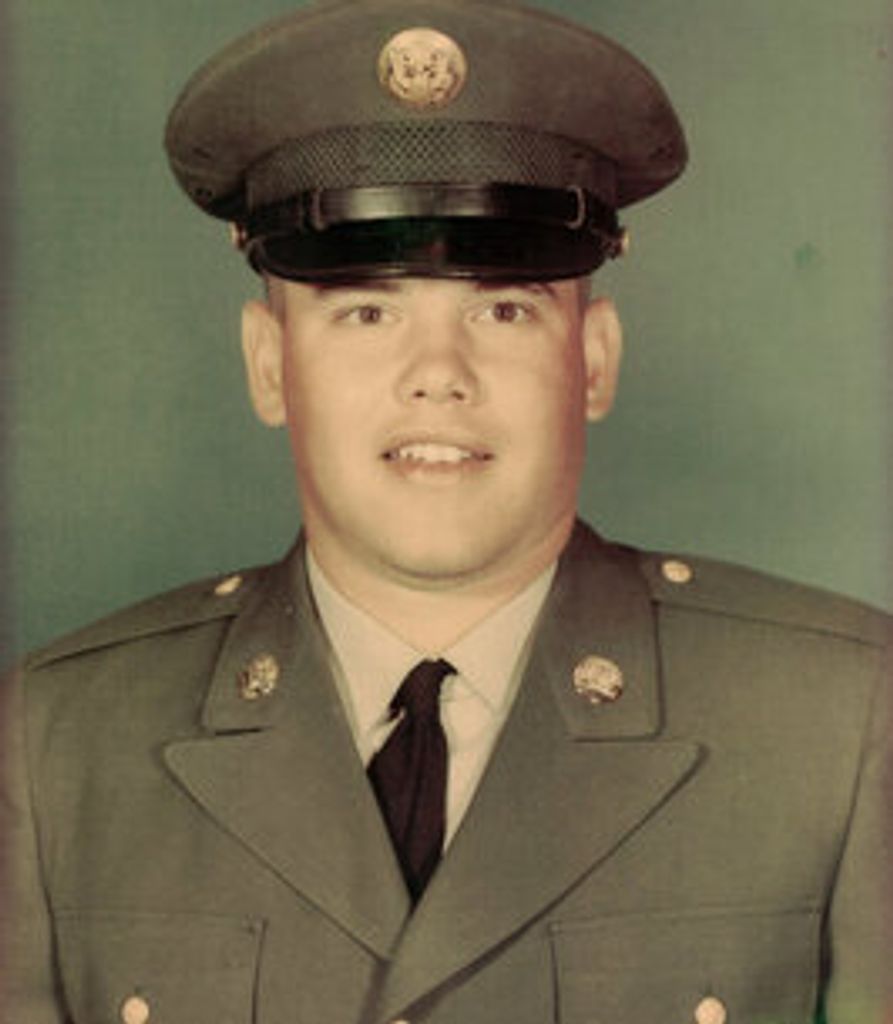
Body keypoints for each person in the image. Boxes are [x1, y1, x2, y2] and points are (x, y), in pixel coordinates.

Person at [2, 1, 890, 1022]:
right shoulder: (60, 746)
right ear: (268, 364)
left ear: (593, 361)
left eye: (502, 309)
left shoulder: (836, 723)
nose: (437, 373)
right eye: (366, 311)